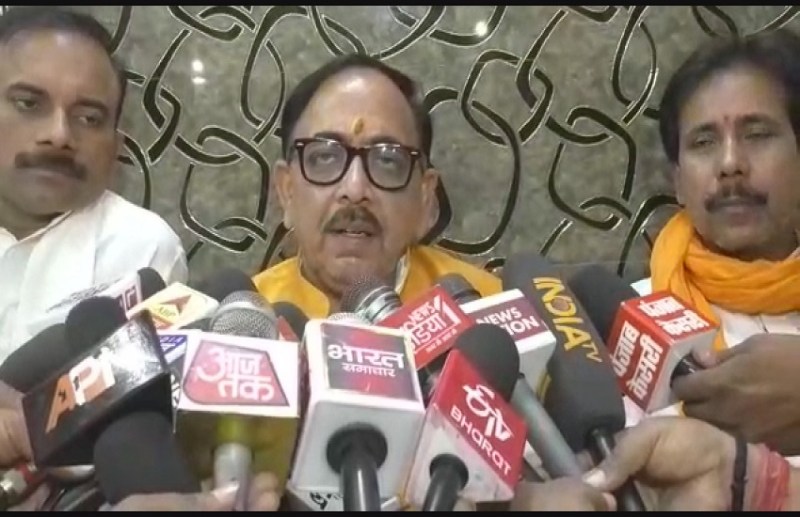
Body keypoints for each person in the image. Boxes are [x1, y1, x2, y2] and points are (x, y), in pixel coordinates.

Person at [628, 28, 800, 456]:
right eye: (703, 142)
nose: (730, 164)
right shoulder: (628, 323)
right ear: (678, 182)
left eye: (757, 134)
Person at [0, 7, 187, 362]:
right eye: (28, 104)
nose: (58, 135)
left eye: (89, 118)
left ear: (116, 147)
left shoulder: (145, 250)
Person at [252, 54, 500, 317]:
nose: (355, 190)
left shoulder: (489, 311)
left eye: (387, 161)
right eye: (326, 157)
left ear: (425, 200)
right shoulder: (242, 326)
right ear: (287, 191)